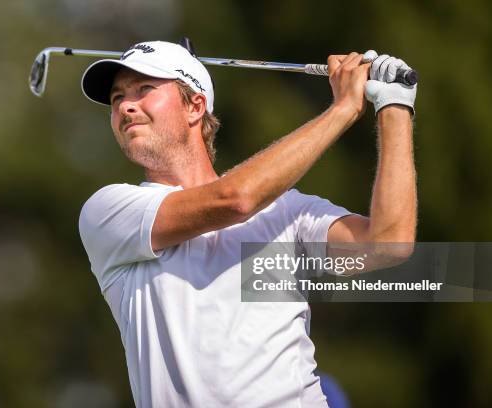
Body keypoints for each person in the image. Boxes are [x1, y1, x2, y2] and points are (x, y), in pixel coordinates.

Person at [78, 40, 417, 407]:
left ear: (195, 106)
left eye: (145, 90)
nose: (126, 106)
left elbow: (388, 243)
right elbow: (236, 199)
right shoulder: (109, 211)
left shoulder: (287, 211)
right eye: (117, 98)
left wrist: (394, 106)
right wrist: (342, 110)